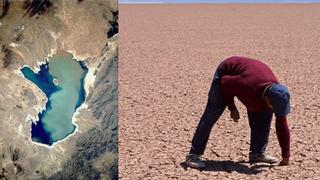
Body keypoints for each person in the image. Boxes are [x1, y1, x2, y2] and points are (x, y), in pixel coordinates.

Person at [185, 56, 291, 168]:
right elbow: (224, 82)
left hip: (251, 78)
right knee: (211, 114)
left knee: (264, 115)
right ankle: (193, 155)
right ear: (267, 98)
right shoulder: (248, 85)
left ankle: (257, 153)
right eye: (272, 105)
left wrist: (286, 156)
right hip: (226, 72)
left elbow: (281, 123)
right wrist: (232, 108)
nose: (274, 109)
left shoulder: (278, 94)